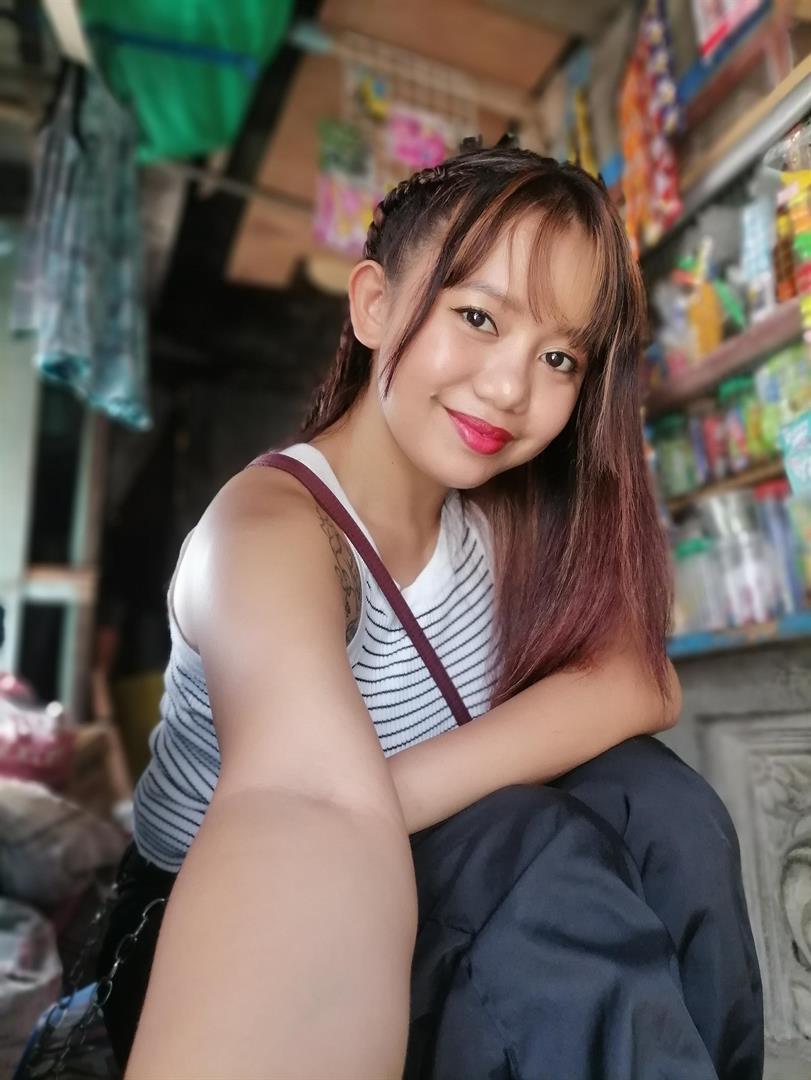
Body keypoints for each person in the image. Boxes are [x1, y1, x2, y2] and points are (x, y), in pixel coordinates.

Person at [99, 145, 763, 1079]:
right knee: (529, 847)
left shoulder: (495, 517)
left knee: (658, 807)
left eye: (559, 357)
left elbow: (635, 679)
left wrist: (387, 804)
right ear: (374, 304)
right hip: (209, 933)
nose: (509, 388)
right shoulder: (269, 533)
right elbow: (301, 802)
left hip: (404, 859)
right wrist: (375, 814)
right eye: (477, 317)